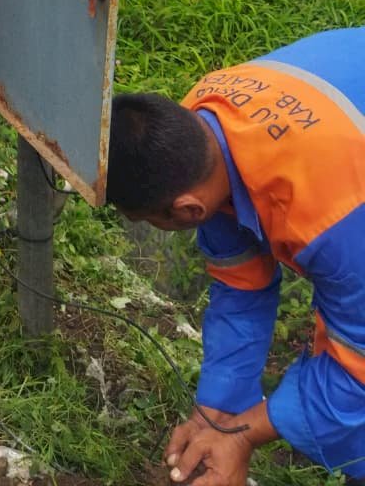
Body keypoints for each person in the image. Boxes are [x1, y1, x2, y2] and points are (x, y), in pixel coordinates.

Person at [105, 28, 365, 486]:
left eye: (147, 220)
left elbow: (357, 368)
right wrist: (216, 414)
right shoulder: (200, 125)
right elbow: (241, 284)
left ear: (187, 210)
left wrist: (243, 438)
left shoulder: (333, 218)